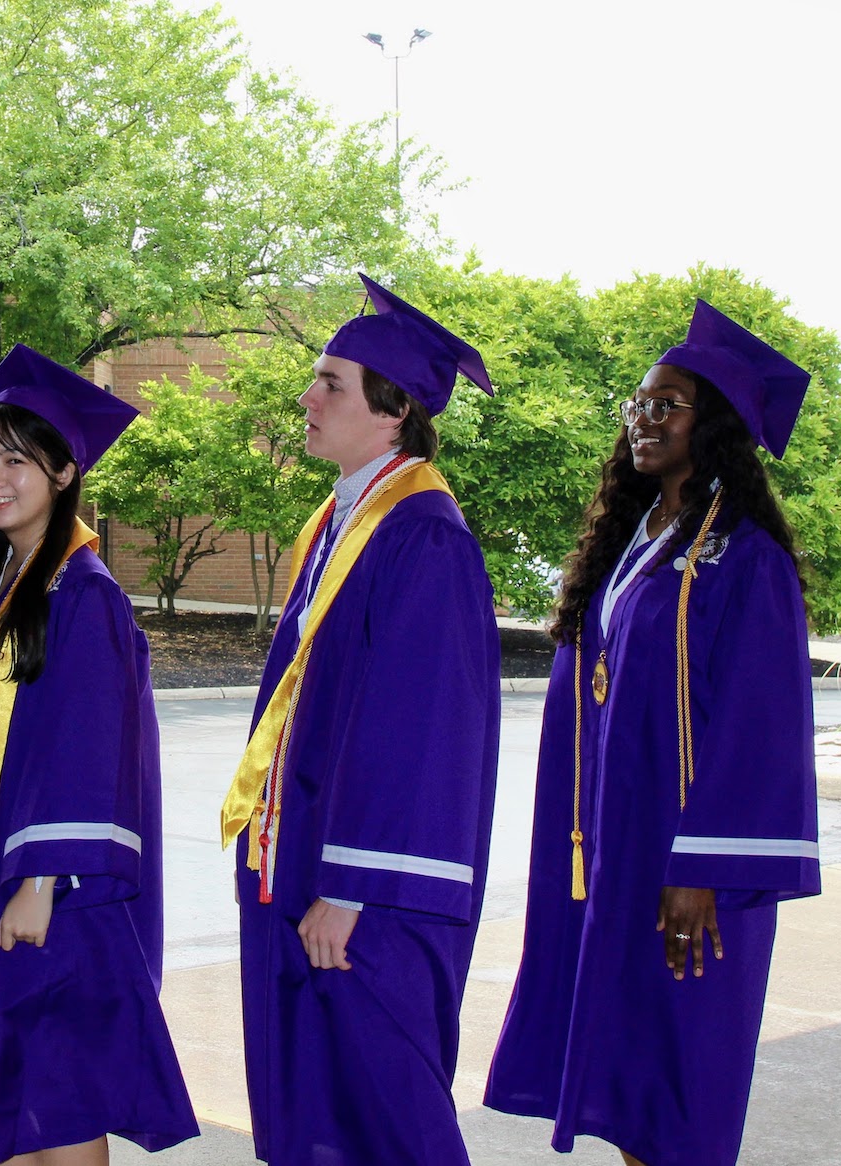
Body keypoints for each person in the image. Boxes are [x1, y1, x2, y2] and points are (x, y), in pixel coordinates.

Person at [483, 301, 822, 1166]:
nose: (643, 419)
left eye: (666, 404)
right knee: (633, 1087)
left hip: (690, 874)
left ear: (714, 427)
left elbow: (761, 732)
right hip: (619, 855)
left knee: (681, 1091)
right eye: (636, 404)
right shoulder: (635, 545)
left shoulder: (746, 560)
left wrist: (704, 869)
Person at [0, 344, 198, 1165]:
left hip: (36, 894)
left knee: (52, 1104)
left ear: (63, 474)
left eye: (19, 459)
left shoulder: (83, 593)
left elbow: (91, 749)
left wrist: (44, 881)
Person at [219, 274, 501, 1165]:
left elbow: (423, 737)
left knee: (386, 1113)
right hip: (304, 862)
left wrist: (353, 887)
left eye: (330, 383)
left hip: (368, 893)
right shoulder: (344, 520)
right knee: (318, 1108)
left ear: (392, 411)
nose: (308, 397)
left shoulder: (425, 535)